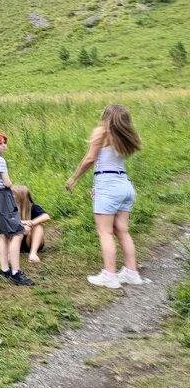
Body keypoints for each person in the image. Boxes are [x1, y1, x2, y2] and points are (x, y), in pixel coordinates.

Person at [65, 104, 145, 289]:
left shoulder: (101, 133)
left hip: (108, 186)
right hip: (125, 185)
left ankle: (110, 275)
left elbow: (90, 159)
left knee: (105, 232)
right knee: (122, 230)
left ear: (106, 117)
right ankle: (132, 272)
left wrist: (74, 178)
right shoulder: (126, 136)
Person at [0, 132, 33, 286]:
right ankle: (16, 272)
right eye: (0, 143)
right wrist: (10, 185)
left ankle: (4, 269)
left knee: (4, 234)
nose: (4, 146)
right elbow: (8, 182)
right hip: (4, 196)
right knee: (17, 233)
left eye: (4, 143)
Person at [11, 184, 50, 263]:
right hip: (17, 240)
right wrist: (23, 225)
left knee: (38, 226)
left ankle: (33, 253)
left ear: (20, 196)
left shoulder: (33, 207)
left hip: (30, 241)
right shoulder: (10, 208)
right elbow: (7, 220)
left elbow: (46, 216)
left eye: (12, 194)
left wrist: (32, 223)